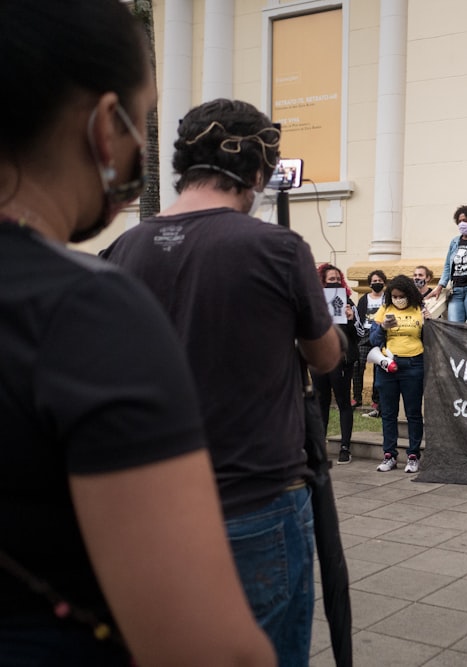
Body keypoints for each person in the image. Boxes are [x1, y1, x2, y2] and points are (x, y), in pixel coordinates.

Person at [0, 3, 274, 665]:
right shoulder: (84, 311)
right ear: (104, 125)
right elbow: (213, 651)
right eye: (143, 121)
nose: (143, 149)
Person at [102, 98, 343, 666]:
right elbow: (326, 356)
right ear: (259, 171)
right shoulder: (275, 248)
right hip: (256, 501)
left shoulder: (123, 248)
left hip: (150, 507)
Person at [370, 275, 426, 473]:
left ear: (409, 294)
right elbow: (373, 339)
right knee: (388, 412)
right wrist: (383, 328)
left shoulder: (419, 309)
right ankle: (389, 455)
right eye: (394, 296)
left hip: (413, 364)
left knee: (413, 412)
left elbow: (428, 337)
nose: (398, 299)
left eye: (401, 296)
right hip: (387, 365)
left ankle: (413, 455)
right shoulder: (385, 309)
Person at [313, 264, 359, 465]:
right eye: (330, 280)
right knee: (321, 402)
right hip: (318, 360)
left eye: (337, 279)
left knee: (343, 402)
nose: (335, 283)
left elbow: (359, 334)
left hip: (341, 360)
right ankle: (320, 446)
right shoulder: (314, 304)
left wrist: (349, 319)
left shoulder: (348, 303)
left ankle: (344, 447)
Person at [354, 269, 387, 416]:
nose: (377, 283)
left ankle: (376, 400)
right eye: (374, 281)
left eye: (380, 281)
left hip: (379, 334)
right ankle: (356, 397)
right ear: (370, 283)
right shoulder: (364, 299)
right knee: (358, 365)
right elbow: (358, 318)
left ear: (384, 283)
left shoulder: (387, 298)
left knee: (378, 368)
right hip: (365, 335)